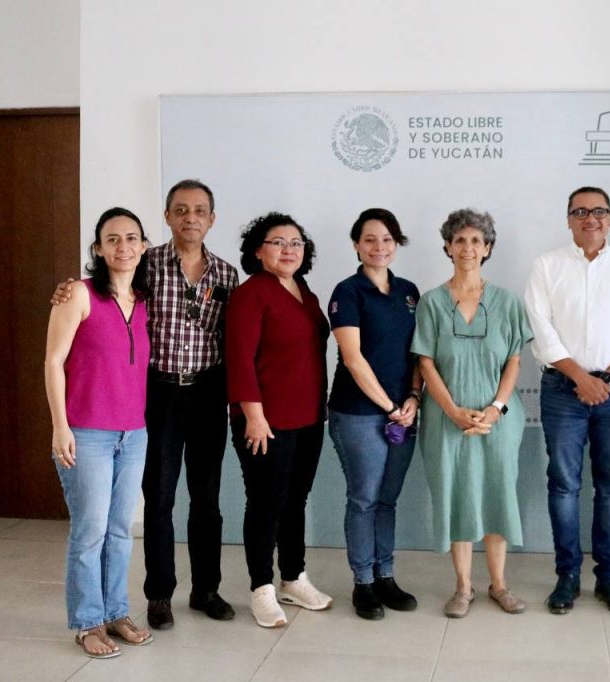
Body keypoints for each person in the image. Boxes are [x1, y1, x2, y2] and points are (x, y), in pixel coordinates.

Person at [51, 178, 240, 630]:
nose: (190, 218)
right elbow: (102, 290)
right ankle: (159, 595)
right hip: (158, 393)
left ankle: (206, 589)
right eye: (181, 210)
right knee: (158, 498)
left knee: (207, 497)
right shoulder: (147, 264)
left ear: (212, 219)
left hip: (207, 391)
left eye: (200, 210)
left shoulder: (227, 274)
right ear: (167, 216)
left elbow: (231, 337)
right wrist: (66, 289)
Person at [524, 187, 610, 617]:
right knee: (564, 486)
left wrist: (607, 378)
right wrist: (581, 378)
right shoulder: (546, 266)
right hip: (563, 391)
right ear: (568, 220)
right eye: (580, 211)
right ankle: (567, 577)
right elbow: (541, 330)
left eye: (599, 211)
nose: (590, 218)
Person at [411, 208, 532, 618]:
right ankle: (463, 588)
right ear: (448, 247)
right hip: (447, 419)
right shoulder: (431, 302)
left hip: (498, 420)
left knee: (498, 493)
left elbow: (514, 360)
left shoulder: (507, 302)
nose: (468, 248)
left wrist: (495, 410)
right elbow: (425, 362)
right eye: (460, 240)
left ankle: (500, 585)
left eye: (476, 241)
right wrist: (452, 411)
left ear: (488, 248)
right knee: (456, 494)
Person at [45, 208, 154, 658]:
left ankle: (116, 613)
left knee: (120, 530)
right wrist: (60, 426)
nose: (123, 246)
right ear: (98, 248)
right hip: (86, 432)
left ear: (143, 246)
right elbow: (53, 361)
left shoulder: (144, 300)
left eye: (131, 238)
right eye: (112, 239)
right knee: (89, 531)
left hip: (134, 433)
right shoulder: (78, 293)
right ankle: (87, 622)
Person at [226, 212, 332, 628]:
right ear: (258, 250)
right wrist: (253, 415)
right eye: (278, 242)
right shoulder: (251, 294)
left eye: (296, 243)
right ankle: (261, 588)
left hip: (308, 417)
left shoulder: (304, 291)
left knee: (295, 500)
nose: (289, 250)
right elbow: (239, 358)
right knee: (266, 502)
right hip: (265, 421)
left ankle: (293, 577)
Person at [327, 208, 421, 620]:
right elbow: (353, 358)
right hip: (359, 413)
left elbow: (419, 352)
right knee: (364, 498)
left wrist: (414, 397)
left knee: (387, 499)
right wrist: (390, 407)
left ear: (396, 244)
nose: (379, 247)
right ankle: (363, 582)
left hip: (404, 411)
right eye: (369, 239)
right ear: (356, 244)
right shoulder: (347, 292)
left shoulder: (409, 292)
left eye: (386, 239)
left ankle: (386, 575)